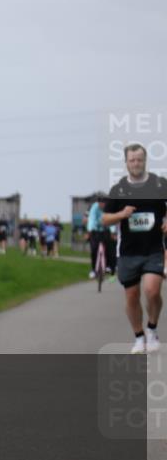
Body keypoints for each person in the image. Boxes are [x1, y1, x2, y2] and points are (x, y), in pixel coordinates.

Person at [101, 144, 167, 354]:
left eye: (139, 159)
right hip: (128, 252)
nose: (136, 163)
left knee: (152, 290)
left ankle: (152, 329)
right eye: (132, 160)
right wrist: (121, 214)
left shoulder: (159, 184)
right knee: (132, 296)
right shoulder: (118, 189)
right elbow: (104, 219)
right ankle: (139, 337)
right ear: (126, 162)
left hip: (154, 249)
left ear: (145, 160)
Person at [86, 195, 115, 279]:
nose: (101, 205)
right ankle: (93, 270)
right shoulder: (94, 207)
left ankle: (108, 266)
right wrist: (89, 231)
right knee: (94, 250)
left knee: (110, 248)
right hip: (96, 230)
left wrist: (112, 232)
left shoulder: (109, 207)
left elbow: (111, 220)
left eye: (103, 203)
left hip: (106, 229)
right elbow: (91, 219)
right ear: (98, 203)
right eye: (100, 203)